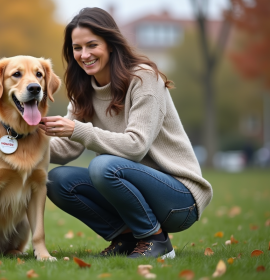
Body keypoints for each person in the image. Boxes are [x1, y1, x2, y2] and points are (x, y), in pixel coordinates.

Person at [38, 7, 212, 259]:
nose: (84, 54)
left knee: (103, 166)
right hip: (132, 188)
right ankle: (128, 238)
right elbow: (66, 150)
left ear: (110, 43)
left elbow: (136, 146)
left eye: (92, 45)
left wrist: (77, 129)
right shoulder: (83, 87)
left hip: (179, 198)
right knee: (57, 180)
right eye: (77, 48)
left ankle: (156, 240)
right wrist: (24, 141)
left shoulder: (143, 79)